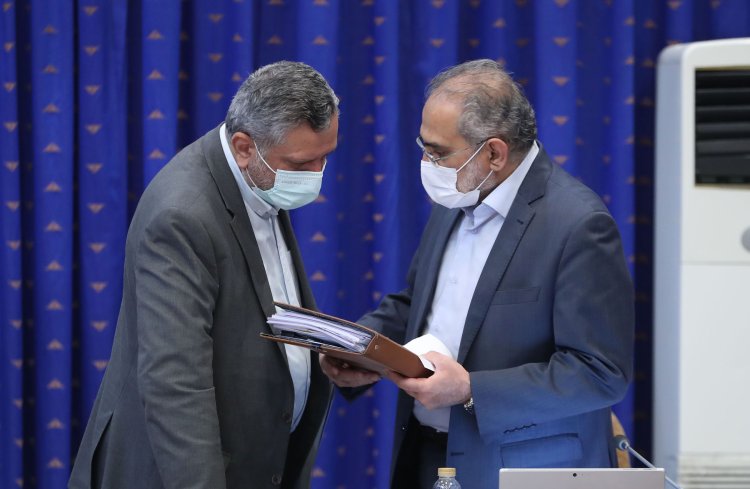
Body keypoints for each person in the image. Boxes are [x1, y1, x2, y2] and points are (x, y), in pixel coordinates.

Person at [320, 59, 634, 489]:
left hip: (516, 467)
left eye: (438, 152)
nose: (426, 162)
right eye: (424, 146)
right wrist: (361, 348)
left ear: (493, 154)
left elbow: (600, 373)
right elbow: (419, 304)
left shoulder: (578, 224)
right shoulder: (461, 189)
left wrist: (471, 390)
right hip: (425, 454)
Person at [69, 61, 339, 489]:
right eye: (303, 163)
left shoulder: (259, 177)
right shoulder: (182, 216)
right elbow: (174, 384)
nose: (317, 174)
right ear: (244, 147)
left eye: (325, 158)